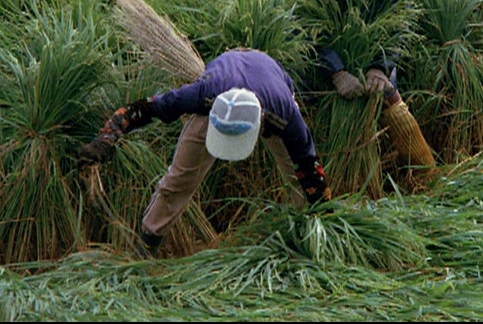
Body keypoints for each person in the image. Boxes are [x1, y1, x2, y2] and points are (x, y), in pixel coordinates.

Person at [78, 47, 332, 257]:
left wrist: (328, 214)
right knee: (180, 178)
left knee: (301, 181)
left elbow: (310, 165)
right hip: (225, 85)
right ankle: (146, 248)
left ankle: (312, 239)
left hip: (269, 85)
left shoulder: (285, 114)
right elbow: (145, 108)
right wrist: (107, 137)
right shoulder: (202, 95)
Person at [292, 0, 436, 172]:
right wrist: (336, 71)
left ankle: (425, 173)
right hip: (320, 70)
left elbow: (397, 26)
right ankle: (328, 180)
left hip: (371, 62)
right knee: (311, 120)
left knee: (393, 102)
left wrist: (380, 67)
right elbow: (302, 31)